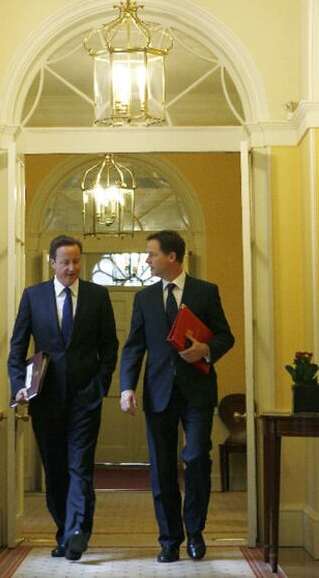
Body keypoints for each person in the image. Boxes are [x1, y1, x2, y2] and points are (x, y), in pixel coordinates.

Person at [120, 230, 234, 563]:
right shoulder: (143, 298)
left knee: (197, 457)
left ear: (172, 257)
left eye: (151, 254)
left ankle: (195, 533)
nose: (147, 260)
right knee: (162, 469)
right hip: (158, 394)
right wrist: (127, 387)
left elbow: (226, 336)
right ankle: (169, 539)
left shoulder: (205, 292)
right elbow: (133, 348)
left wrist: (206, 349)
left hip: (197, 392)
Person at [8, 235, 118, 561]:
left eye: (76, 261)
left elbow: (109, 347)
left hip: (86, 398)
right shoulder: (33, 297)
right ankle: (63, 531)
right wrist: (19, 385)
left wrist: (100, 385)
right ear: (52, 263)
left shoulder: (97, 296)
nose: (71, 268)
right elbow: (17, 348)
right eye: (65, 262)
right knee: (55, 471)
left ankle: (77, 533)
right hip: (46, 400)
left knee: (80, 468)